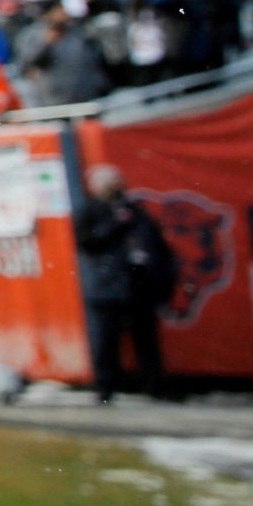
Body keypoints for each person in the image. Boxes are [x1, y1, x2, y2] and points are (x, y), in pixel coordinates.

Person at [74, 165, 175, 402]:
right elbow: (87, 242)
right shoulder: (89, 210)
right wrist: (116, 227)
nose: (115, 187)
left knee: (146, 340)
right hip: (105, 287)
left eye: (117, 181)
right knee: (105, 341)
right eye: (109, 183)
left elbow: (154, 242)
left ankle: (154, 386)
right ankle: (105, 389)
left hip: (137, 284)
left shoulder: (133, 210)